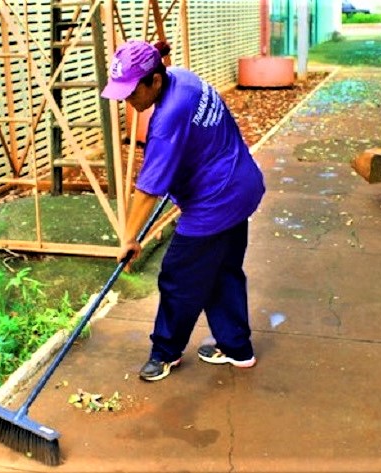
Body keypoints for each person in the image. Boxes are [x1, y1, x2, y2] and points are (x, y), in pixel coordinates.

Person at [100, 40, 265, 382]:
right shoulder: (184, 78)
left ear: (154, 81)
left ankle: (165, 353)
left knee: (178, 277)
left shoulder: (167, 118)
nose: (127, 101)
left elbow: (147, 189)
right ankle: (237, 348)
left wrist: (128, 238)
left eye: (132, 92)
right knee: (223, 270)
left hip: (215, 202)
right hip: (242, 184)